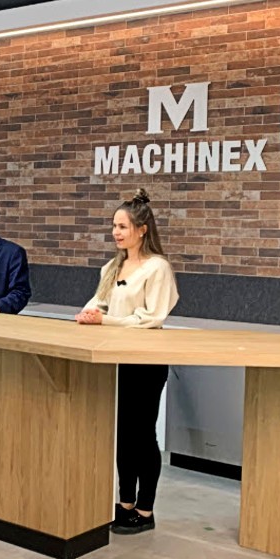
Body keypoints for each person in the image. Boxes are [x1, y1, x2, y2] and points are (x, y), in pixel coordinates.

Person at [75, 189, 178, 535]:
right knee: (123, 434)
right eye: (114, 226)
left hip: (146, 362)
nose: (116, 232)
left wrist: (104, 321)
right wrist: (89, 314)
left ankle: (146, 511)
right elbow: (100, 303)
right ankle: (125, 504)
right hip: (115, 357)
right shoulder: (113, 265)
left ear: (142, 229)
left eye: (122, 226)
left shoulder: (157, 267)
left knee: (142, 433)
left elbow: (151, 317)